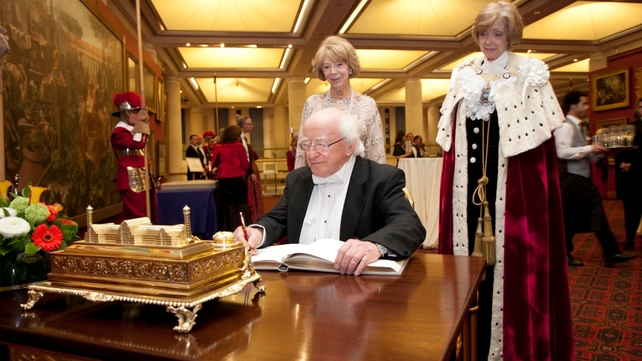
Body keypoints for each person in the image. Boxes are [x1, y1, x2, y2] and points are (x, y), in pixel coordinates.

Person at [436, 2, 574, 359]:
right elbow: (453, 142)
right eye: (483, 33)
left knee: (513, 274)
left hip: (514, 197)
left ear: (511, 34)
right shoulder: (463, 72)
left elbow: (538, 151)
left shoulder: (530, 73)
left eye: (497, 32)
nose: (489, 40)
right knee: (468, 271)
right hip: (468, 194)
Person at [234, 108, 425, 276]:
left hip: (356, 289)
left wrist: (374, 246)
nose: (311, 154)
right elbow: (278, 218)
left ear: (349, 146)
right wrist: (256, 232)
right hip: (297, 286)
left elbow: (409, 226)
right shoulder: (298, 179)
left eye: (322, 144)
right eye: (307, 144)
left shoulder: (380, 178)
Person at [555, 90, 638, 268]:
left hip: (581, 179)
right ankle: (567, 254)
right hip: (570, 179)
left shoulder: (580, 127)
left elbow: (587, 156)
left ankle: (610, 252)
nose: (587, 107)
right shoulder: (565, 126)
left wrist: (604, 153)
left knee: (594, 214)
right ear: (572, 105)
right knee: (570, 219)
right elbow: (561, 152)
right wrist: (590, 148)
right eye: (584, 104)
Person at [294, 36, 385, 169]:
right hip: (320, 182)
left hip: (357, 183)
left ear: (350, 67)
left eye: (339, 64)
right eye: (327, 66)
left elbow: (376, 154)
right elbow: (303, 151)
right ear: (322, 72)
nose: (333, 72)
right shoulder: (313, 103)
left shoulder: (368, 104)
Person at [110, 91, 157, 222]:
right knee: (138, 217)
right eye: (134, 112)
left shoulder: (132, 130)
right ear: (125, 114)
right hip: (131, 179)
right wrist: (142, 123)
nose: (137, 116)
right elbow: (137, 143)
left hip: (142, 176)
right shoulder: (119, 133)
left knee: (148, 214)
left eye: (139, 112)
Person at [211, 125, 251, 231]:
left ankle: (228, 228)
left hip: (224, 179)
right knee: (240, 204)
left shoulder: (221, 147)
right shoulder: (238, 146)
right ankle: (242, 227)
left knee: (227, 205)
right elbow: (246, 165)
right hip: (238, 178)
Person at [615, 98, 642, 249]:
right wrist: (624, 164)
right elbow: (620, 150)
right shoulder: (631, 127)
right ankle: (629, 239)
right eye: (641, 107)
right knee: (632, 211)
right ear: (638, 110)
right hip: (635, 176)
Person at [238, 116, 264, 222]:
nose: (252, 126)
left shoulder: (244, 138)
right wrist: (249, 171)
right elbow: (244, 157)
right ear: (243, 126)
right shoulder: (239, 138)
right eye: (250, 124)